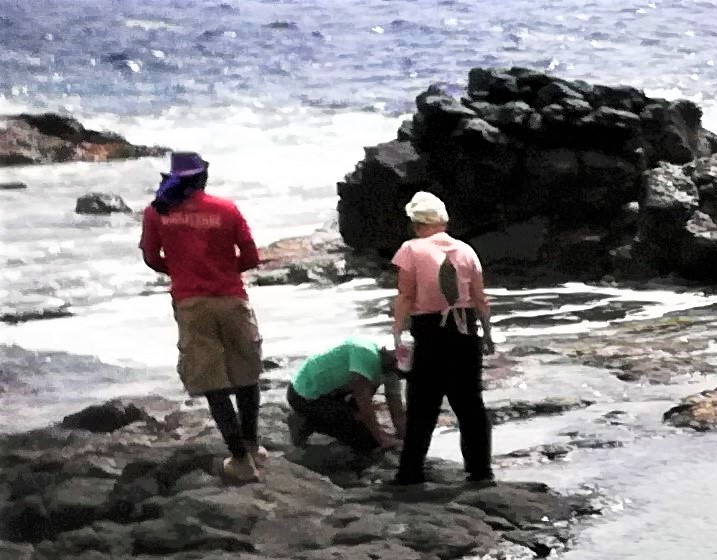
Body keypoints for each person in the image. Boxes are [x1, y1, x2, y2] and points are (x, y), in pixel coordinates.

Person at [138, 149, 265, 484]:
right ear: (203, 177)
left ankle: (239, 460)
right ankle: (252, 446)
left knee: (212, 382)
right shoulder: (226, 209)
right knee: (247, 373)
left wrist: (179, 272)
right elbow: (251, 256)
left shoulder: (157, 212)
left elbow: (151, 257)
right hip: (231, 298)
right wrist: (224, 271)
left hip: (191, 303)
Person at [388, 192, 493, 489]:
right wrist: (487, 334)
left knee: (423, 404)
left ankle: (410, 472)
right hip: (465, 329)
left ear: (416, 223)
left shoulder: (411, 249)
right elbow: (479, 297)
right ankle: (481, 471)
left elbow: (406, 295)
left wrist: (397, 332)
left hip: (430, 330)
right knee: (470, 404)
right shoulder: (466, 250)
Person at [283, 334, 395, 462]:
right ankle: (305, 421)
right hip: (304, 394)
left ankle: (321, 419)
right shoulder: (366, 355)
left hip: (329, 391)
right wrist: (380, 437)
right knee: (367, 441)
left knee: (364, 427)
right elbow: (363, 400)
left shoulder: (388, 369)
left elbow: (397, 411)